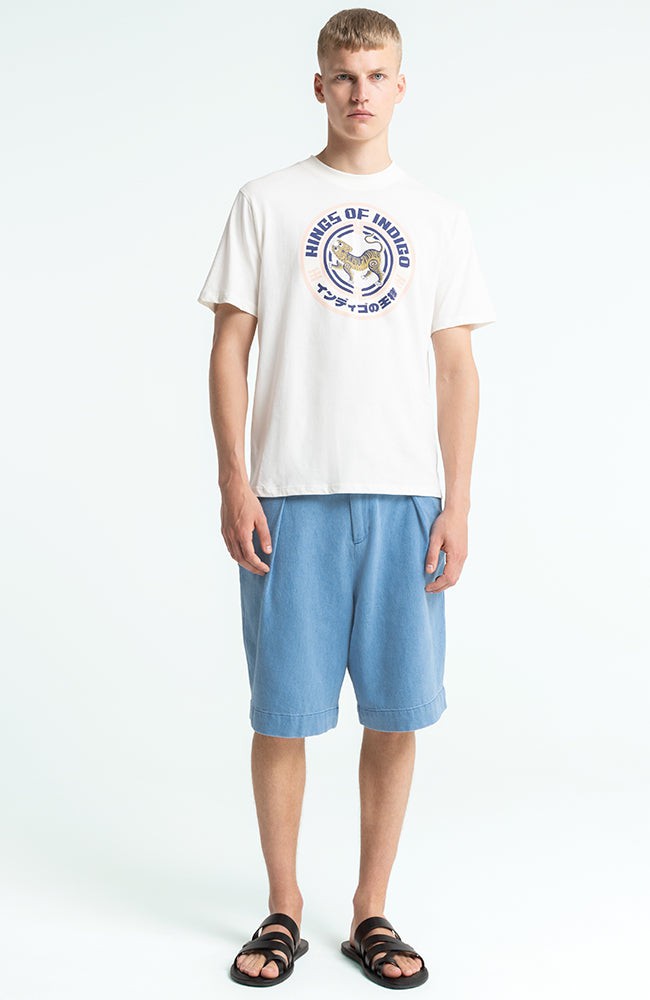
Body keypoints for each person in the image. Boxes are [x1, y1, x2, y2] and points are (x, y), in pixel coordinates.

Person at [197, 7, 496, 990]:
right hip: (290, 493)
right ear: (319, 86)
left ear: (400, 88)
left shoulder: (438, 218)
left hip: (404, 497)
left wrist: (456, 503)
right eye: (343, 75)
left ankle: (370, 908)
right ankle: (283, 905)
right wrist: (234, 477)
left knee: (394, 710)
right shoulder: (266, 202)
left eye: (376, 76)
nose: (360, 92)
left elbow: (456, 370)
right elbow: (230, 348)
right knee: (282, 713)